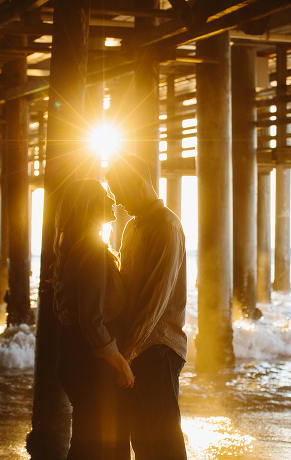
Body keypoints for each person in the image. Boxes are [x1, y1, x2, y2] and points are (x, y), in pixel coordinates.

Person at [105, 154, 188, 459]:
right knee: (143, 444)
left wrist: (126, 352)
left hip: (158, 349)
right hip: (136, 349)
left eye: (119, 191)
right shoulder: (132, 228)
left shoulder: (166, 226)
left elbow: (155, 300)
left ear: (139, 184)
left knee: (165, 445)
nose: (117, 201)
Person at [51, 178, 133, 460]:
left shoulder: (76, 247)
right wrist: (121, 363)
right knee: (98, 445)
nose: (112, 200)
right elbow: (91, 321)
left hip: (73, 355)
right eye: (104, 196)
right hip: (89, 363)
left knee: (87, 441)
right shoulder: (93, 250)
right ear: (89, 206)